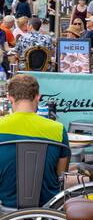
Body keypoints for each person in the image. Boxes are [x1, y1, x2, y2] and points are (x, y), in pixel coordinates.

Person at [0, 74, 71, 206]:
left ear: (9, 98)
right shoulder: (58, 129)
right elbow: (61, 174)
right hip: (47, 205)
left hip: (6, 204)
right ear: (38, 97)